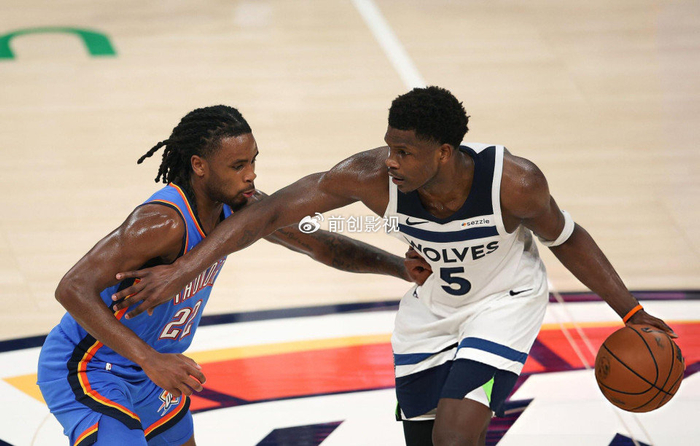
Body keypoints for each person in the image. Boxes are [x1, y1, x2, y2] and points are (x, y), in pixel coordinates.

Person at [112, 88, 675, 446]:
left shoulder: (514, 183)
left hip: (503, 305)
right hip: (431, 312)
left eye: (405, 152)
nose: (391, 161)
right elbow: (271, 212)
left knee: (456, 435)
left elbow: (568, 240)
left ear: (444, 153)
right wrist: (182, 270)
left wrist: (632, 312)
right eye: (389, 147)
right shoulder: (371, 177)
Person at [37, 105, 418, 446]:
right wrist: (151, 359)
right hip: (92, 367)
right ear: (199, 165)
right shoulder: (161, 223)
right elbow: (71, 288)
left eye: (253, 161)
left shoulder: (241, 209)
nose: (251, 175)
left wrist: (399, 267)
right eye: (238, 166)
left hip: (151, 370)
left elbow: (318, 245)